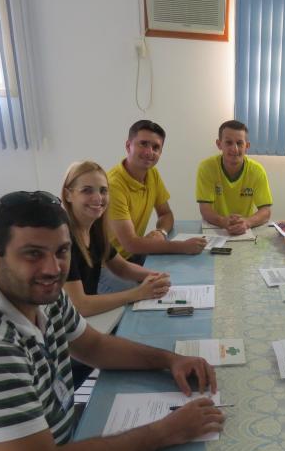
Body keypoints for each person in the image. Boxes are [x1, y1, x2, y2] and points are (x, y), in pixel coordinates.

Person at [0, 192, 223, 451]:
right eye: (33, 254)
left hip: (51, 445)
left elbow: (95, 347)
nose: (52, 268)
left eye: (62, 252)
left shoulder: (40, 292)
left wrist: (170, 360)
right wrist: (166, 431)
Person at [62, 160, 171, 316]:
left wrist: (156, 276)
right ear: (68, 195)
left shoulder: (93, 230)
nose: (97, 198)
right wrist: (138, 293)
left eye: (103, 191)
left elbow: (121, 267)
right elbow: (80, 305)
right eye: (87, 191)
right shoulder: (64, 241)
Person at [107, 120, 207, 264]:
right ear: (129, 146)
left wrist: (161, 232)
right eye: (143, 144)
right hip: (108, 265)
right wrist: (183, 247)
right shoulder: (113, 185)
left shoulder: (152, 174)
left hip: (134, 255)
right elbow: (130, 244)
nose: (149, 152)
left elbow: (166, 214)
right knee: (158, 284)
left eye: (156, 147)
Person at [195, 120, 272, 235]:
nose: (234, 149)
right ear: (219, 144)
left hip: (245, 231)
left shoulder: (257, 171)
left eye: (240, 143)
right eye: (229, 143)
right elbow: (205, 209)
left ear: (247, 146)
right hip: (216, 229)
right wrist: (223, 221)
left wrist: (247, 222)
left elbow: (266, 211)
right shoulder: (206, 168)